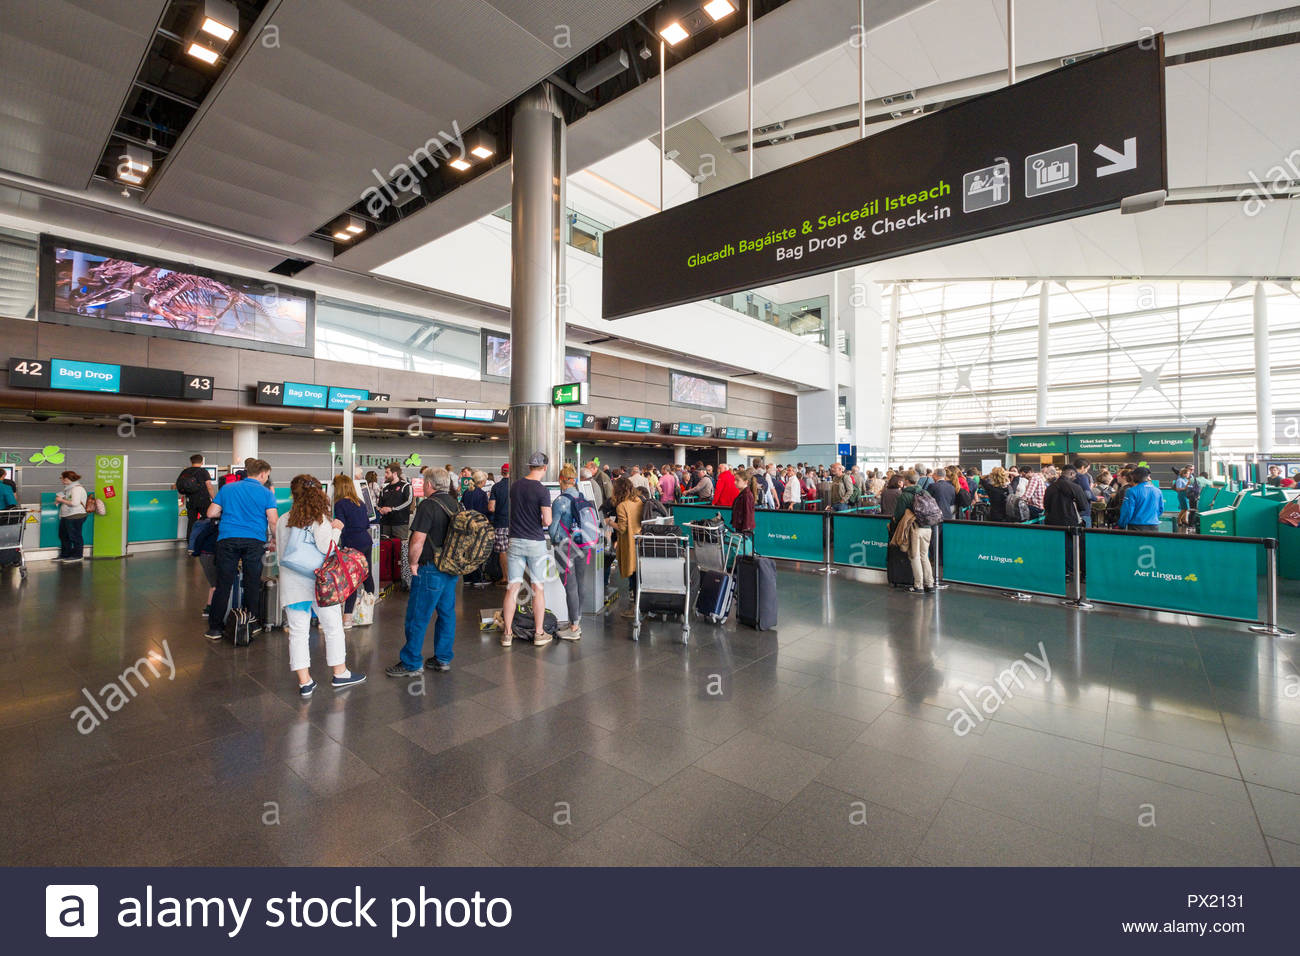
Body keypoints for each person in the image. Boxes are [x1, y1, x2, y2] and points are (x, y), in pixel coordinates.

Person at [276, 475, 365, 696]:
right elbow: (328, 549)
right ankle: (340, 673)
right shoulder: (319, 520)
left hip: (292, 584)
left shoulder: (282, 520)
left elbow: (281, 553)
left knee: (298, 633)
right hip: (320, 585)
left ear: (293, 494)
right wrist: (337, 529)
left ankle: (305, 682)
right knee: (333, 627)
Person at [386, 469, 461, 677]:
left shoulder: (428, 505)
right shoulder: (456, 504)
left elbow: (418, 540)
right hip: (450, 568)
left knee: (418, 615)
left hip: (430, 568)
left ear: (429, 484)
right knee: (446, 614)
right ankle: (443, 658)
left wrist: (412, 563)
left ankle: (411, 663)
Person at [205, 459, 277, 639]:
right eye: (267, 475)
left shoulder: (228, 489)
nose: (266, 478)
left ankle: (215, 628)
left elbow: (211, 513)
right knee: (252, 583)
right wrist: (275, 539)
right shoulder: (266, 493)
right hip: (254, 541)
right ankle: (249, 624)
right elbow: (273, 520)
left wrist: (229, 512)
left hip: (227, 540)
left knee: (223, 584)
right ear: (262, 473)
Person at [501, 452, 555, 647]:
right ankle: (539, 633)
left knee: (512, 588)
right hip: (535, 542)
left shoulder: (515, 486)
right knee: (537, 588)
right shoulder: (542, 490)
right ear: (545, 468)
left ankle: (507, 634)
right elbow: (547, 520)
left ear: (530, 466)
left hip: (515, 540)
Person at [548, 464, 588, 640]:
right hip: (583, 546)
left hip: (566, 547)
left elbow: (552, 529)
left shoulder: (559, 501)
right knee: (580, 584)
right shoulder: (582, 497)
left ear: (561, 481)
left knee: (569, 587)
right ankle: (577, 621)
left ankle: (573, 628)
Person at [332, 473, 375, 628]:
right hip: (365, 540)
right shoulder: (360, 502)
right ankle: (368, 610)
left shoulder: (340, 504)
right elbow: (366, 523)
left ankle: (347, 618)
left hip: (352, 543)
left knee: (351, 580)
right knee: (366, 575)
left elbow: (340, 524)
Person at [1044, 465, 1091, 578]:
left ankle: (1062, 571)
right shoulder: (1075, 487)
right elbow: (1084, 506)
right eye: (1074, 475)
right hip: (1072, 522)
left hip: (1053, 522)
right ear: (1071, 474)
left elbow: (1046, 506)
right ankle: (1080, 573)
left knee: (1057, 547)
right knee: (1078, 547)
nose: (1075, 477)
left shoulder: (1050, 488)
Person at [895, 475, 936, 593]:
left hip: (914, 528)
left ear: (906, 481)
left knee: (914, 556)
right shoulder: (925, 492)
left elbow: (898, 514)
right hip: (928, 527)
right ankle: (930, 584)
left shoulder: (905, 495)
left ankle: (918, 586)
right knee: (924, 556)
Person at [609, 476, 643, 618]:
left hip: (629, 544)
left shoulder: (621, 506)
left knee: (633, 576)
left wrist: (609, 523)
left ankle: (635, 608)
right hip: (640, 542)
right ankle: (638, 605)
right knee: (638, 575)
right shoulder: (638, 501)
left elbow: (622, 528)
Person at [377, 462, 414, 588]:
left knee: (402, 552)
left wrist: (392, 509)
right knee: (386, 552)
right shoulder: (385, 487)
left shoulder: (406, 486)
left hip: (400, 524)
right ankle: (388, 576)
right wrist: (380, 509)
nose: (385, 475)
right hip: (386, 524)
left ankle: (405, 579)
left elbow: (408, 502)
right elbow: (379, 503)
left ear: (395, 473)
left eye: (387, 472)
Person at [175, 454, 215, 542]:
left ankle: (190, 541)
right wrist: (214, 499)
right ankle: (207, 541)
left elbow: (180, 485)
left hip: (190, 500)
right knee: (208, 520)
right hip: (203, 500)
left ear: (191, 462)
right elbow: (209, 486)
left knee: (191, 521)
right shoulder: (203, 471)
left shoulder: (185, 471)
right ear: (202, 462)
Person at [462, 470, 491, 588]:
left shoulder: (467, 492)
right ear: (482, 481)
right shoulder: (482, 494)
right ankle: (478, 578)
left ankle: (467, 578)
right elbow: (484, 512)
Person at [54, 470, 89, 562]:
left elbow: (75, 503)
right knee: (64, 535)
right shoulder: (68, 488)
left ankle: (78, 555)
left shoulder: (76, 489)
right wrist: (59, 499)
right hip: (67, 515)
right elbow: (68, 498)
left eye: (62, 478)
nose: (61, 480)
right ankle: (65, 554)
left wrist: (61, 500)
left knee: (74, 536)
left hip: (75, 515)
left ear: (66, 479)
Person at [1118, 467, 1163, 531]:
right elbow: (1160, 509)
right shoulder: (1157, 490)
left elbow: (1128, 511)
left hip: (1136, 526)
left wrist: (1122, 524)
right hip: (1154, 525)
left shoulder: (1131, 491)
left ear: (1134, 477)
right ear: (1148, 476)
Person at [488, 462, 511, 585]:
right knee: (515, 551)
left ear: (502, 472)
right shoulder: (516, 486)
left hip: (501, 523)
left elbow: (491, 507)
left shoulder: (496, 487)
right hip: (516, 524)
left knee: (503, 551)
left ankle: (505, 577)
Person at [731, 467, 757, 533]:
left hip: (744, 529)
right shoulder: (743, 494)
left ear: (746, 481)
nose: (734, 482)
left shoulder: (746, 495)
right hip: (740, 526)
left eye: (737, 480)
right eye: (735, 480)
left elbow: (748, 514)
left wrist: (746, 529)